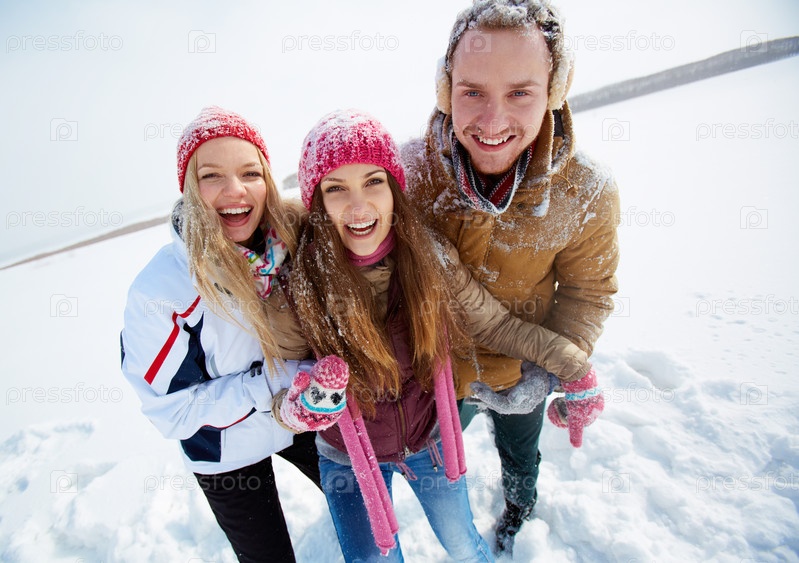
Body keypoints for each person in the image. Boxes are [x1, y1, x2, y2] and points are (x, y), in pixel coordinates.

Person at [263, 109, 594, 562]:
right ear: (316, 202)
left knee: (463, 544)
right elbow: (280, 391)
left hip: (430, 441)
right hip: (348, 460)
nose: (358, 206)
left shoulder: (429, 257)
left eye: (373, 181)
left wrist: (573, 366)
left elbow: (495, 325)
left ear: (394, 187)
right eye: (335, 188)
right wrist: (299, 408)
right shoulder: (299, 287)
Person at [401, 0, 620, 554]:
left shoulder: (586, 191)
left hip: (521, 370)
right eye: (472, 92)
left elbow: (588, 292)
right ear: (446, 90)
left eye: (520, 92)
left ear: (554, 91)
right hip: (438, 375)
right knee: (433, 457)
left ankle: (520, 508)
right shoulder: (407, 175)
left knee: (521, 456)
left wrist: (552, 369)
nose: (493, 122)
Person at [120, 106, 347, 562]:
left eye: (250, 173)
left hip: (305, 418)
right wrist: (278, 382)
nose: (235, 190)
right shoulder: (162, 290)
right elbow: (170, 410)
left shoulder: (294, 239)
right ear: (189, 187)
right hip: (226, 452)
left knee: (365, 509)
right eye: (212, 176)